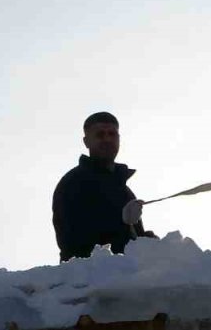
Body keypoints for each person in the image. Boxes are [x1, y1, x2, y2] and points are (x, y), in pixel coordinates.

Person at [52, 111, 153, 262]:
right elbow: (71, 242)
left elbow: (132, 240)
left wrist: (148, 243)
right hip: (93, 279)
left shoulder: (124, 191)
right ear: (86, 142)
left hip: (126, 275)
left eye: (112, 134)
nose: (107, 139)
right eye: (100, 134)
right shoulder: (73, 183)